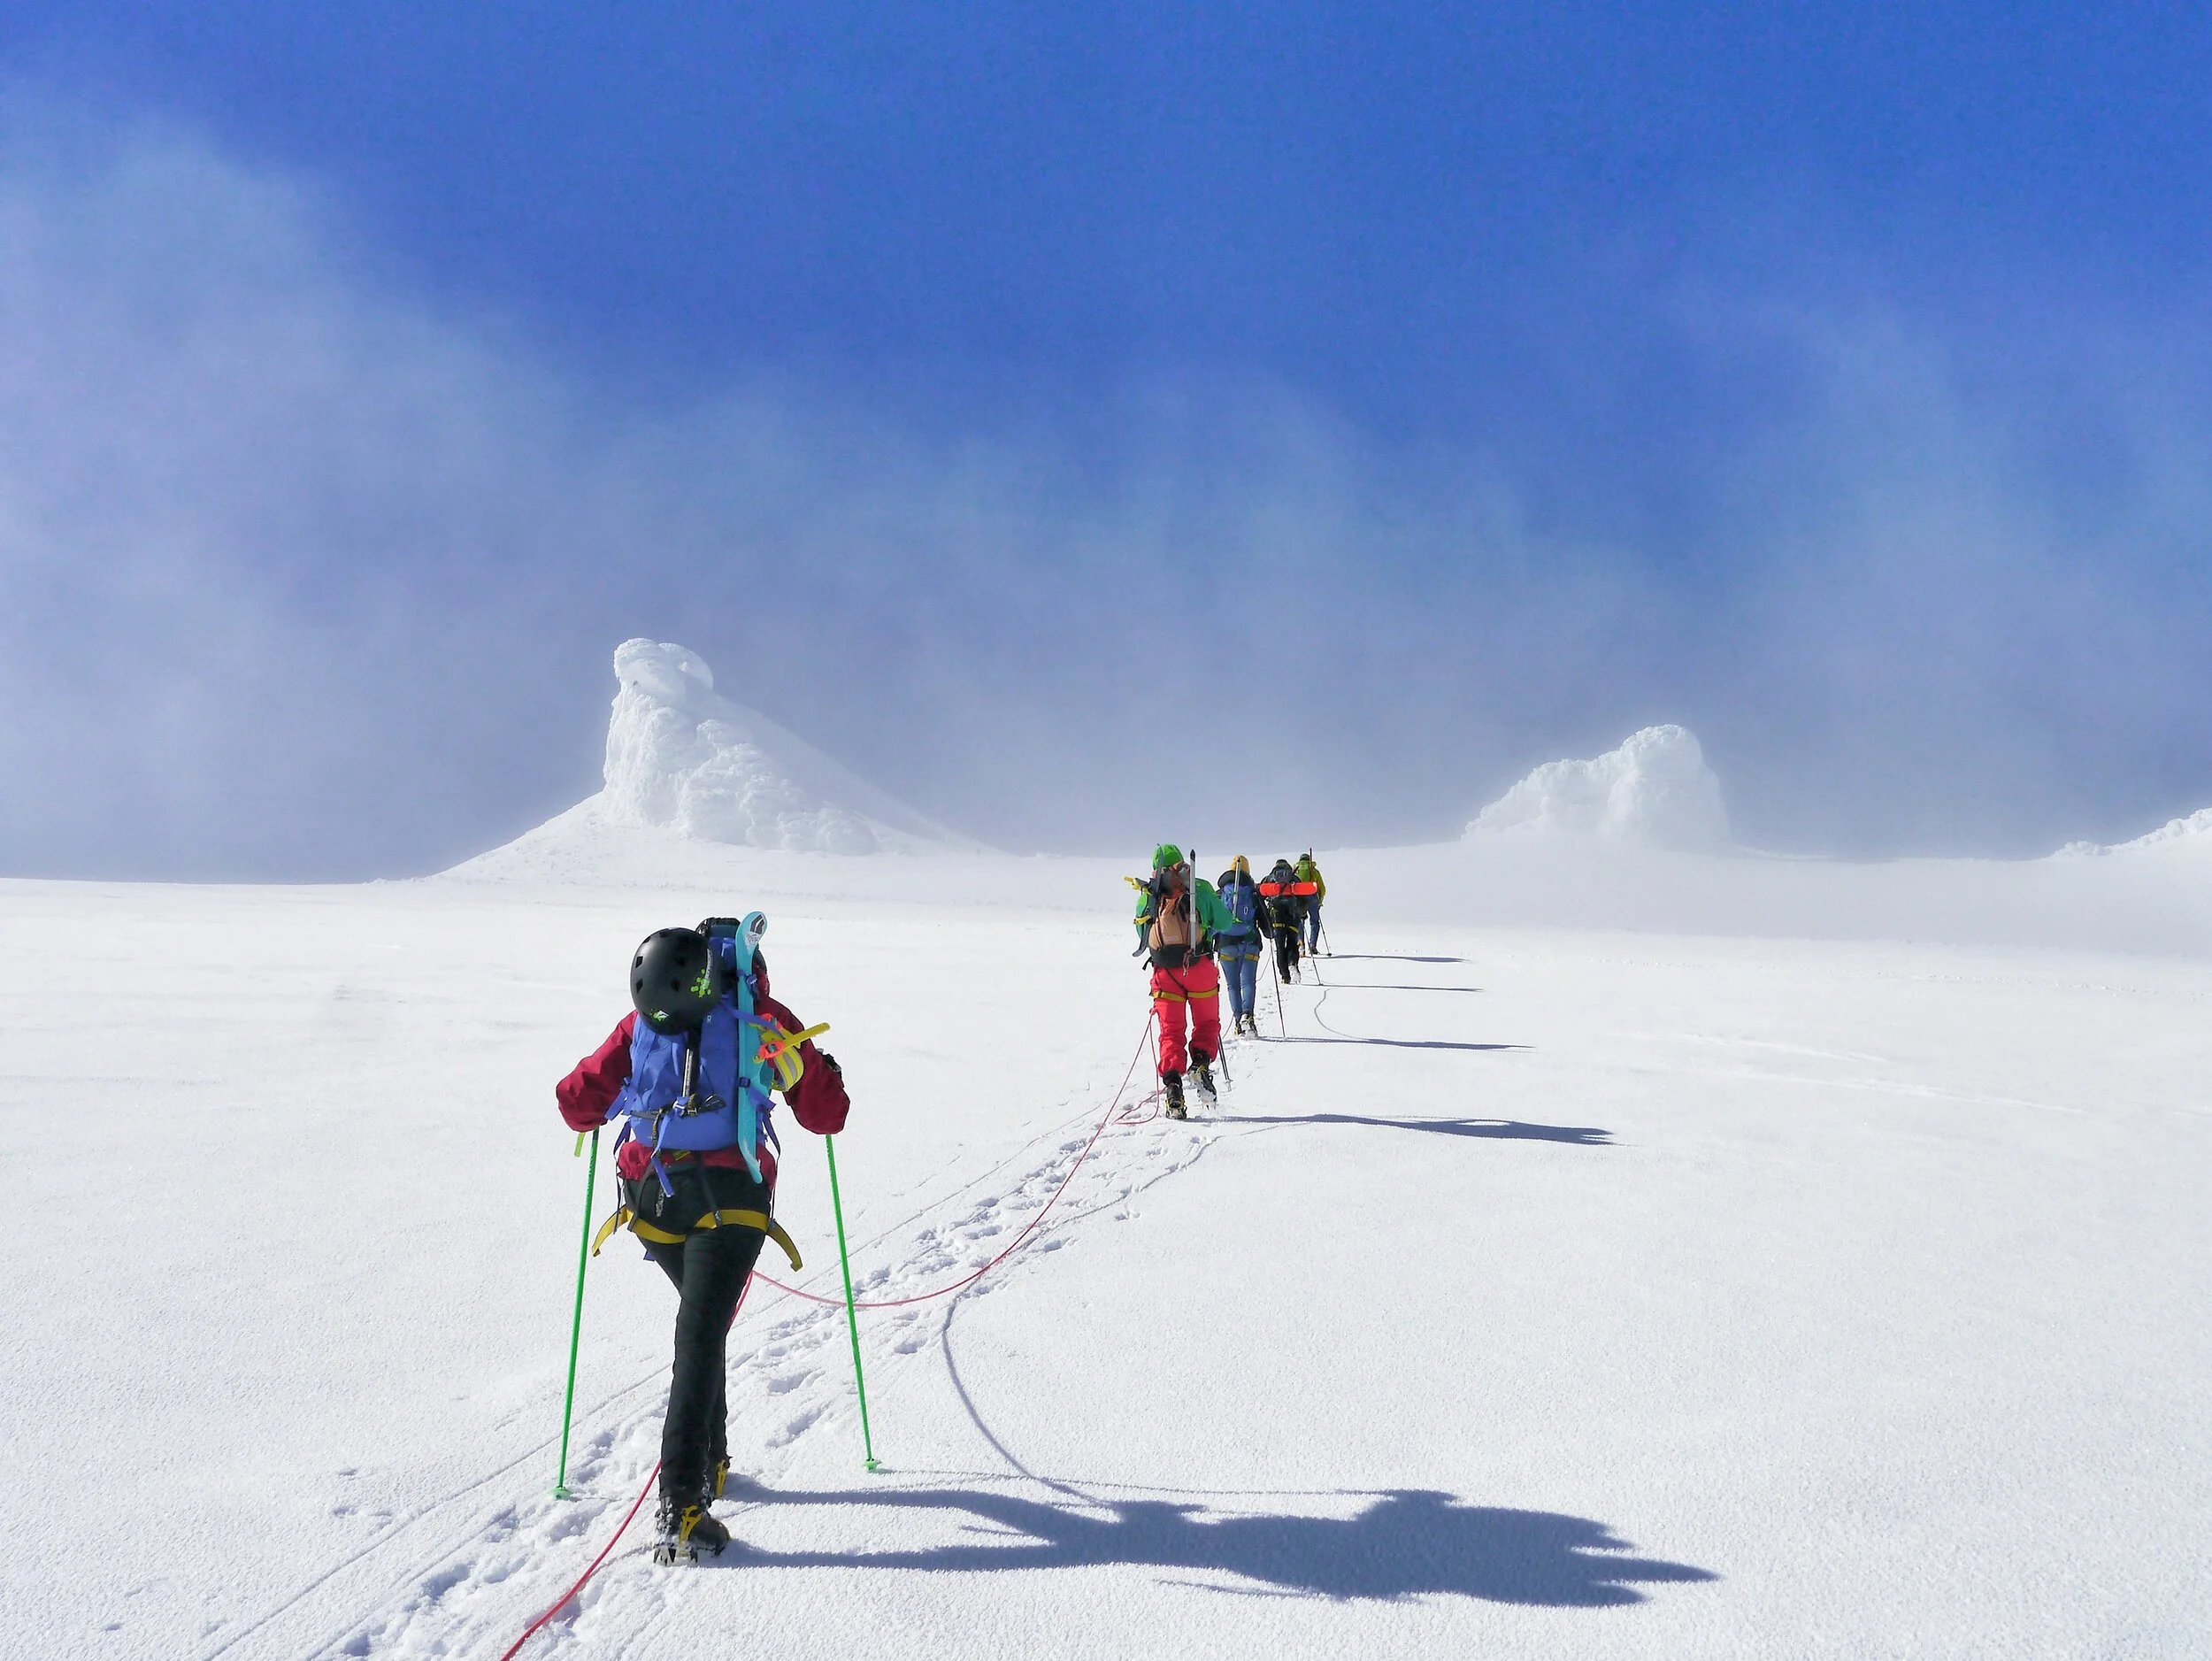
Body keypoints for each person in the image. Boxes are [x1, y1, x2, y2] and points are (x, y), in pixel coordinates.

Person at [556, 914, 849, 1565]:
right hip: (732, 1208)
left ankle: (711, 1460)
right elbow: (828, 1115)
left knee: (701, 1325)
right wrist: (815, 1066)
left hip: (653, 1204)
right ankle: (683, 1505)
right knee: (699, 1335)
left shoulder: (643, 1021)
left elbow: (576, 1100)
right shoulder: (762, 1016)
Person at [1133, 844, 1238, 1118]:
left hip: (1165, 973)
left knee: (1170, 1031)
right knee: (1206, 1023)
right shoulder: (1198, 888)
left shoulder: (1149, 894)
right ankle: (1201, 1065)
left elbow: (1141, 931)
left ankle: (1173, 1089)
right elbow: (1226, 922)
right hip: (1199, 968)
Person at [1214, 856, 1264, 1038]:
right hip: (1250, 944)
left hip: (1226, 945)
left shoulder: (1219, 894)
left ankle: (1238, 1023)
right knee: (1248, 982)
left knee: (1232, 986)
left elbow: (1213, 922)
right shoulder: (1253, 894)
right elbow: (1265, 921)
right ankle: (1248, 1017)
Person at [1259, 856, 1306, 984]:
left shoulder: (1269, 878)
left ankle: (1285, 976)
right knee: (1292, 941)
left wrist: (1265, 914)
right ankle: (1292, 963)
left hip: (1276, 914)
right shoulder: (1294, 878)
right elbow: (1304, 897)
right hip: (1293, 914)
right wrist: (1302, 912)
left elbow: (1259, 895)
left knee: (1279, 945)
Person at [1294, 850, 1327, 955]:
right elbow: (1322, 888)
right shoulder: (1314, 871)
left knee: (1300, 921)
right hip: (1312, 897)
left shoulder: (1296, 870)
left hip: (1299, 897)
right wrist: (1319, 902)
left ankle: (1301, 943)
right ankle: (1312, 944)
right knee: (1314, 921)